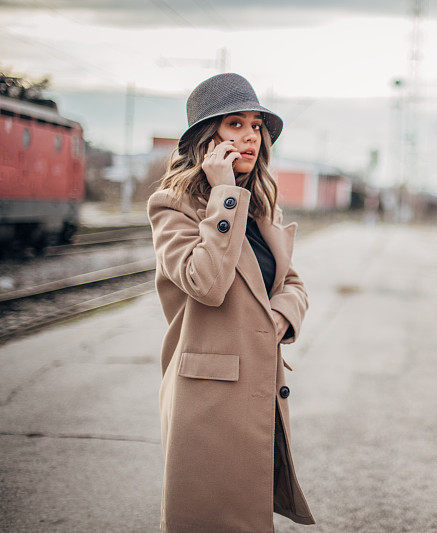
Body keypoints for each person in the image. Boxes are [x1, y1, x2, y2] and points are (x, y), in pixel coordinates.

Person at [147, 73, 314, 532]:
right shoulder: (173, 206)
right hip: (208, 401)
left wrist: (280, 316)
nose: (249, 137)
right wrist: (223, 195)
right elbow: (206, 284)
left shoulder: (262, 207)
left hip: (259, 392)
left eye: (256, 125)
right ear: (208, 139)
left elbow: (293, 284)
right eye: (235, 124)